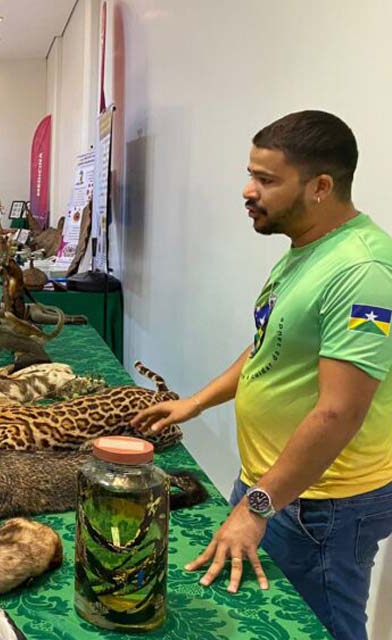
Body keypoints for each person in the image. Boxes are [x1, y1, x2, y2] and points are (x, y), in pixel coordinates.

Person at [133, 111, 392, 640]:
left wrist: (257, 507)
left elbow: (339, 412)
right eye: (251, 174)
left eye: (267, 180)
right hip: (273, 489)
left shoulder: (363, 272)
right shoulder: (304, 251)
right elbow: (268, 347)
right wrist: (195, 403)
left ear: (321, 186)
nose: (248, 191)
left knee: (320, 628)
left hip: (323, 506)